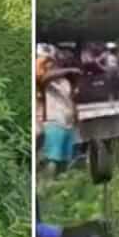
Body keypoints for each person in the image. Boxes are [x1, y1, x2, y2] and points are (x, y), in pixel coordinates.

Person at [38, 45, 81, 173]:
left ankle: (59, 181)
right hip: (54, 122)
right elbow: (46, 77)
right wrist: (69, 70)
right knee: (53, 159)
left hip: (68, 123)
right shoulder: (48, 81)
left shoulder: (66, 82)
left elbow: (71, 100)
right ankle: (48, 181)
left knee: (65, 160)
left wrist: (76, 118)